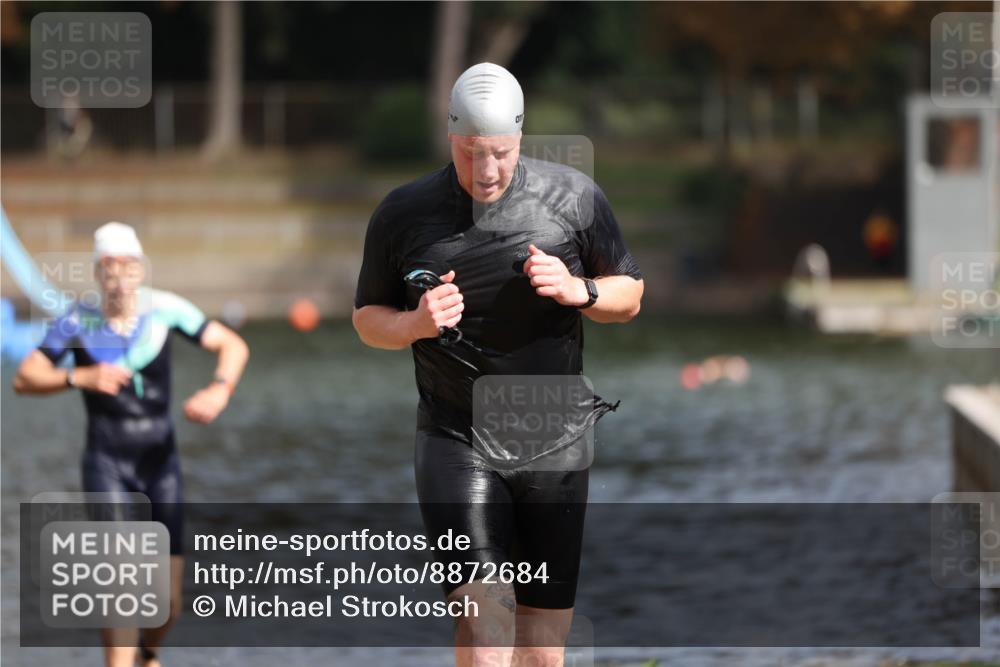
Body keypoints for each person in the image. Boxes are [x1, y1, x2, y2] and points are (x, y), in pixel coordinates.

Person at [352, 63, 643, 667]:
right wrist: (415, 323)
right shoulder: (404, 213)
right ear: (451, 137)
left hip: (554, 440)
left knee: (542, 650)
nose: (486, 171)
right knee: (485, 632)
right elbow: (366, 318)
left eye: (501, 154)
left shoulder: (573, 198)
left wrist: (580, 290)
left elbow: (631, 295)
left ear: (521, 137)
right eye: (470, 153)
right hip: (457, 438)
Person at [13, 222, 250, 667]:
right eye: (109, 266)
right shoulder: (78, 321)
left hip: (160, 465)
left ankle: (147, 653)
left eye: (128, 265)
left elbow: (233, 346)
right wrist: (79, 376)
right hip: (107, 462)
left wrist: (219, 390)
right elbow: (24, 377)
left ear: (141, 269)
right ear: (97, 273)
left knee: (169, 602)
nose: (119, 276)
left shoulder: (165, 310)